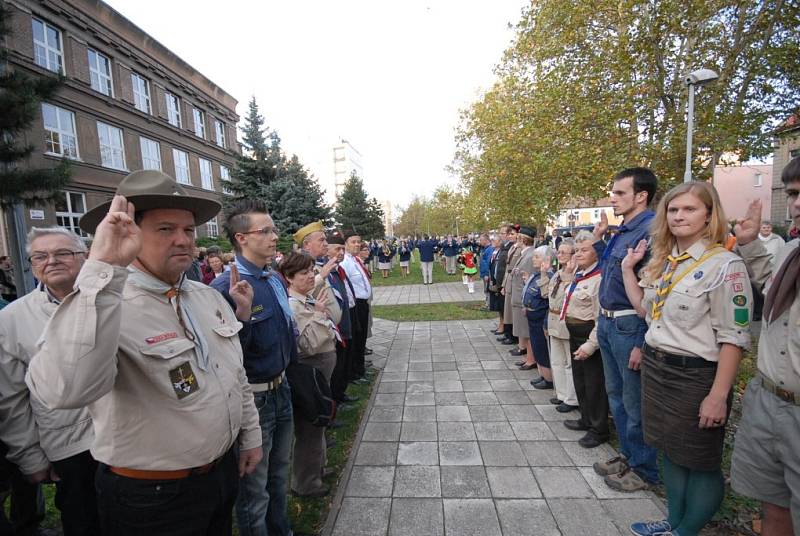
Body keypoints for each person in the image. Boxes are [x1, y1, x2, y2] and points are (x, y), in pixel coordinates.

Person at [25, 170, 262, 535]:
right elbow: (63, 390)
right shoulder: (102, 305)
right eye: (166, 229)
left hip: (220, 475)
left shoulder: (208, 297)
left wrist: (249, 436)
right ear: (128, 234)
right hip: (151, 497)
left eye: (188, 230)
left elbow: (234, 375)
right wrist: (103, 268)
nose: (183, 240)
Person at [620, 182, 752, 536]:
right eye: (673, 210)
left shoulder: (725, 266)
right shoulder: (665, 261)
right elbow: (646, 311)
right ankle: (673, 520)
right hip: (657, 367)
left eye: (689, 209)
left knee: (700, 460)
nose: (679, 216)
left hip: (695, 376)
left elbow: (733, 338)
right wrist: (626, 270)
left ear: (709, 214)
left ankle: (686, 531)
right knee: (669, 451)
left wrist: (718, 395)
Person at [0, 228, 98, 536]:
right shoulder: (13, 318)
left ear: (85, 258)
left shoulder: (114, 300)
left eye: (63, 253)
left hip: (128, 436)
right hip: (70, 447)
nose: (51, 261)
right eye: (40, 256)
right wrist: (29, 456)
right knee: (84, 523)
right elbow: (11, 397)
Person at [211, 199, 297, 536]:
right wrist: (243, 316)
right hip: (254, 401)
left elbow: (286, 332)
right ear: (241, 238)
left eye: (273, 229)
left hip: (282, 389)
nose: (275, 236)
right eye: (265, 231)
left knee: (279, 476)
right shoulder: (225, 288)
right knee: (254, 491)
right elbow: (227, 356)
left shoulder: (272, 278)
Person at [730, 155, 800, 535]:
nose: (797, 203)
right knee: (774, 505)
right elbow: (770, 283)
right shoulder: (791, 252)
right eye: (793, 193)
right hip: (770, 399)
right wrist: (750, 243)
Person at [592, 167, 660, 490]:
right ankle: (628, 456)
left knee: (634, 402)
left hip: (630, 324)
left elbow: (652, 293)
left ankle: (644, 469)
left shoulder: (651, 231)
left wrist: (643, 342)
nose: (613, 198)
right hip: (608, 322)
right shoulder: (623, 231)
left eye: (620, 193)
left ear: (641, 196)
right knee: (616, 396)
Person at [279, 252, 337, 498]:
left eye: (312, 270)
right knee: (309, 427)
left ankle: (318, 468)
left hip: (321, 367)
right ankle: (305, 483)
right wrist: (320, 315)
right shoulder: (294, 305)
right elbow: (309, 343)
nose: (311, 276)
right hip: (311, 368)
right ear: (289, 278)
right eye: (304, 273)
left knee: (320, 422)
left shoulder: (306, 298)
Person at [562, 230, 608, 448]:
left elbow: (600, 316)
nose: (578, 254)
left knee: (594, 383)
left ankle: (598, 429)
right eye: (577, 250)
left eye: (585, 250)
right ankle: (586, 418)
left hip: (589, 335)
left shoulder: (598, 278)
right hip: (574, 333)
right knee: (580, 380)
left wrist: (591, 344)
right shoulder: (579, 275)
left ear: (597, 253)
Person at [540, 239, 580, 412]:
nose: (559, 254)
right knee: (557, 361)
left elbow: (569, 297)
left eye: (564, 252)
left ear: (573, 256)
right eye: (559, 251)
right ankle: (561, 394)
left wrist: (569, 275)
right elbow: (545, 294)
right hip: (553, 319)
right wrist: (543, 274)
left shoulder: (576, 275)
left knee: (569, 363)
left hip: (566, 321)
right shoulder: (557, 274)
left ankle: (572, 399)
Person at [326, 233, 359, 405]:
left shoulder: (338, 269)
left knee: (345, 361)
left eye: (342, 249)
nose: (341, 252)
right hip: (336, 326)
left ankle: (341, 393)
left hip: (347, 319)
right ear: (327, 250)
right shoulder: (326, 271)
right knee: (337, 366)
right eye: (337, 249)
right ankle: (336, 399)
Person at [519, 245, 555, 387]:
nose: (533, 259)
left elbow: (547, 299)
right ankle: (543, 375)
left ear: (547, 260)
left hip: (540, 320)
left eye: (537, 257)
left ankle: (549, 379)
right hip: (532, 318)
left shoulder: (549, 276)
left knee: (542, 349)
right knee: (537, 348)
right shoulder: (536, 274)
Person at [295, 221, 342, 326]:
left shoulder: (319, 264)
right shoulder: (298, 266)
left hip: (331, 328)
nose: (326, 244)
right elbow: (298, 293)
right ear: (307, 245)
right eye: (321, 240)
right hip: (319, 330)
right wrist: (321, 277)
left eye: (325, 239)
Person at [342, 231, 372, 384]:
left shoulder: (355, 260)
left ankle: (360, 368)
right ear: (346, 244)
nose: (357, 244)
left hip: (362, 304)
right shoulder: (345, 262)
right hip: (355, 304)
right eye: (353, 241)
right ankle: (355, 372)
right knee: (357, 339)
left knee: (362, 338)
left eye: (358, 241)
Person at [509, 227, 537, 361]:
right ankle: (527, 355)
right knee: (522, 328)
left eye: (519, 237)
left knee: (526, 330)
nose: (516, 240)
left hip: (523, 297)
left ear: (524, 239)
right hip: (518, 295)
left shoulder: (530, 255)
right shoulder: (525, 253)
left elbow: (529, 279)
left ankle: (530, 359)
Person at [500, 225, 521, 346]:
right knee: (507, 310)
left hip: (514, 280)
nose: (510, 236)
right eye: (509, 234)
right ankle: (509, 334)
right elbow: (508, 267)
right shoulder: (513, 247)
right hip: (508, 279)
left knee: (512, 311)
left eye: (512, 234)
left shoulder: (519, 249)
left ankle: (513, 336)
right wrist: (503, 285)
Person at [478, 233, 494, 307]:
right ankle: (487, 303)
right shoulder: (485, 249)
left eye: (481, 240)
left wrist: (487, 274)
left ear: (486, 240)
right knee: (486, 288)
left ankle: (489, 304)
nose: (479, 241)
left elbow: (489, 263)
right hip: (484, 273)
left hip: (487, 274)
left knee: (488, 289)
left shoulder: (489, 249)